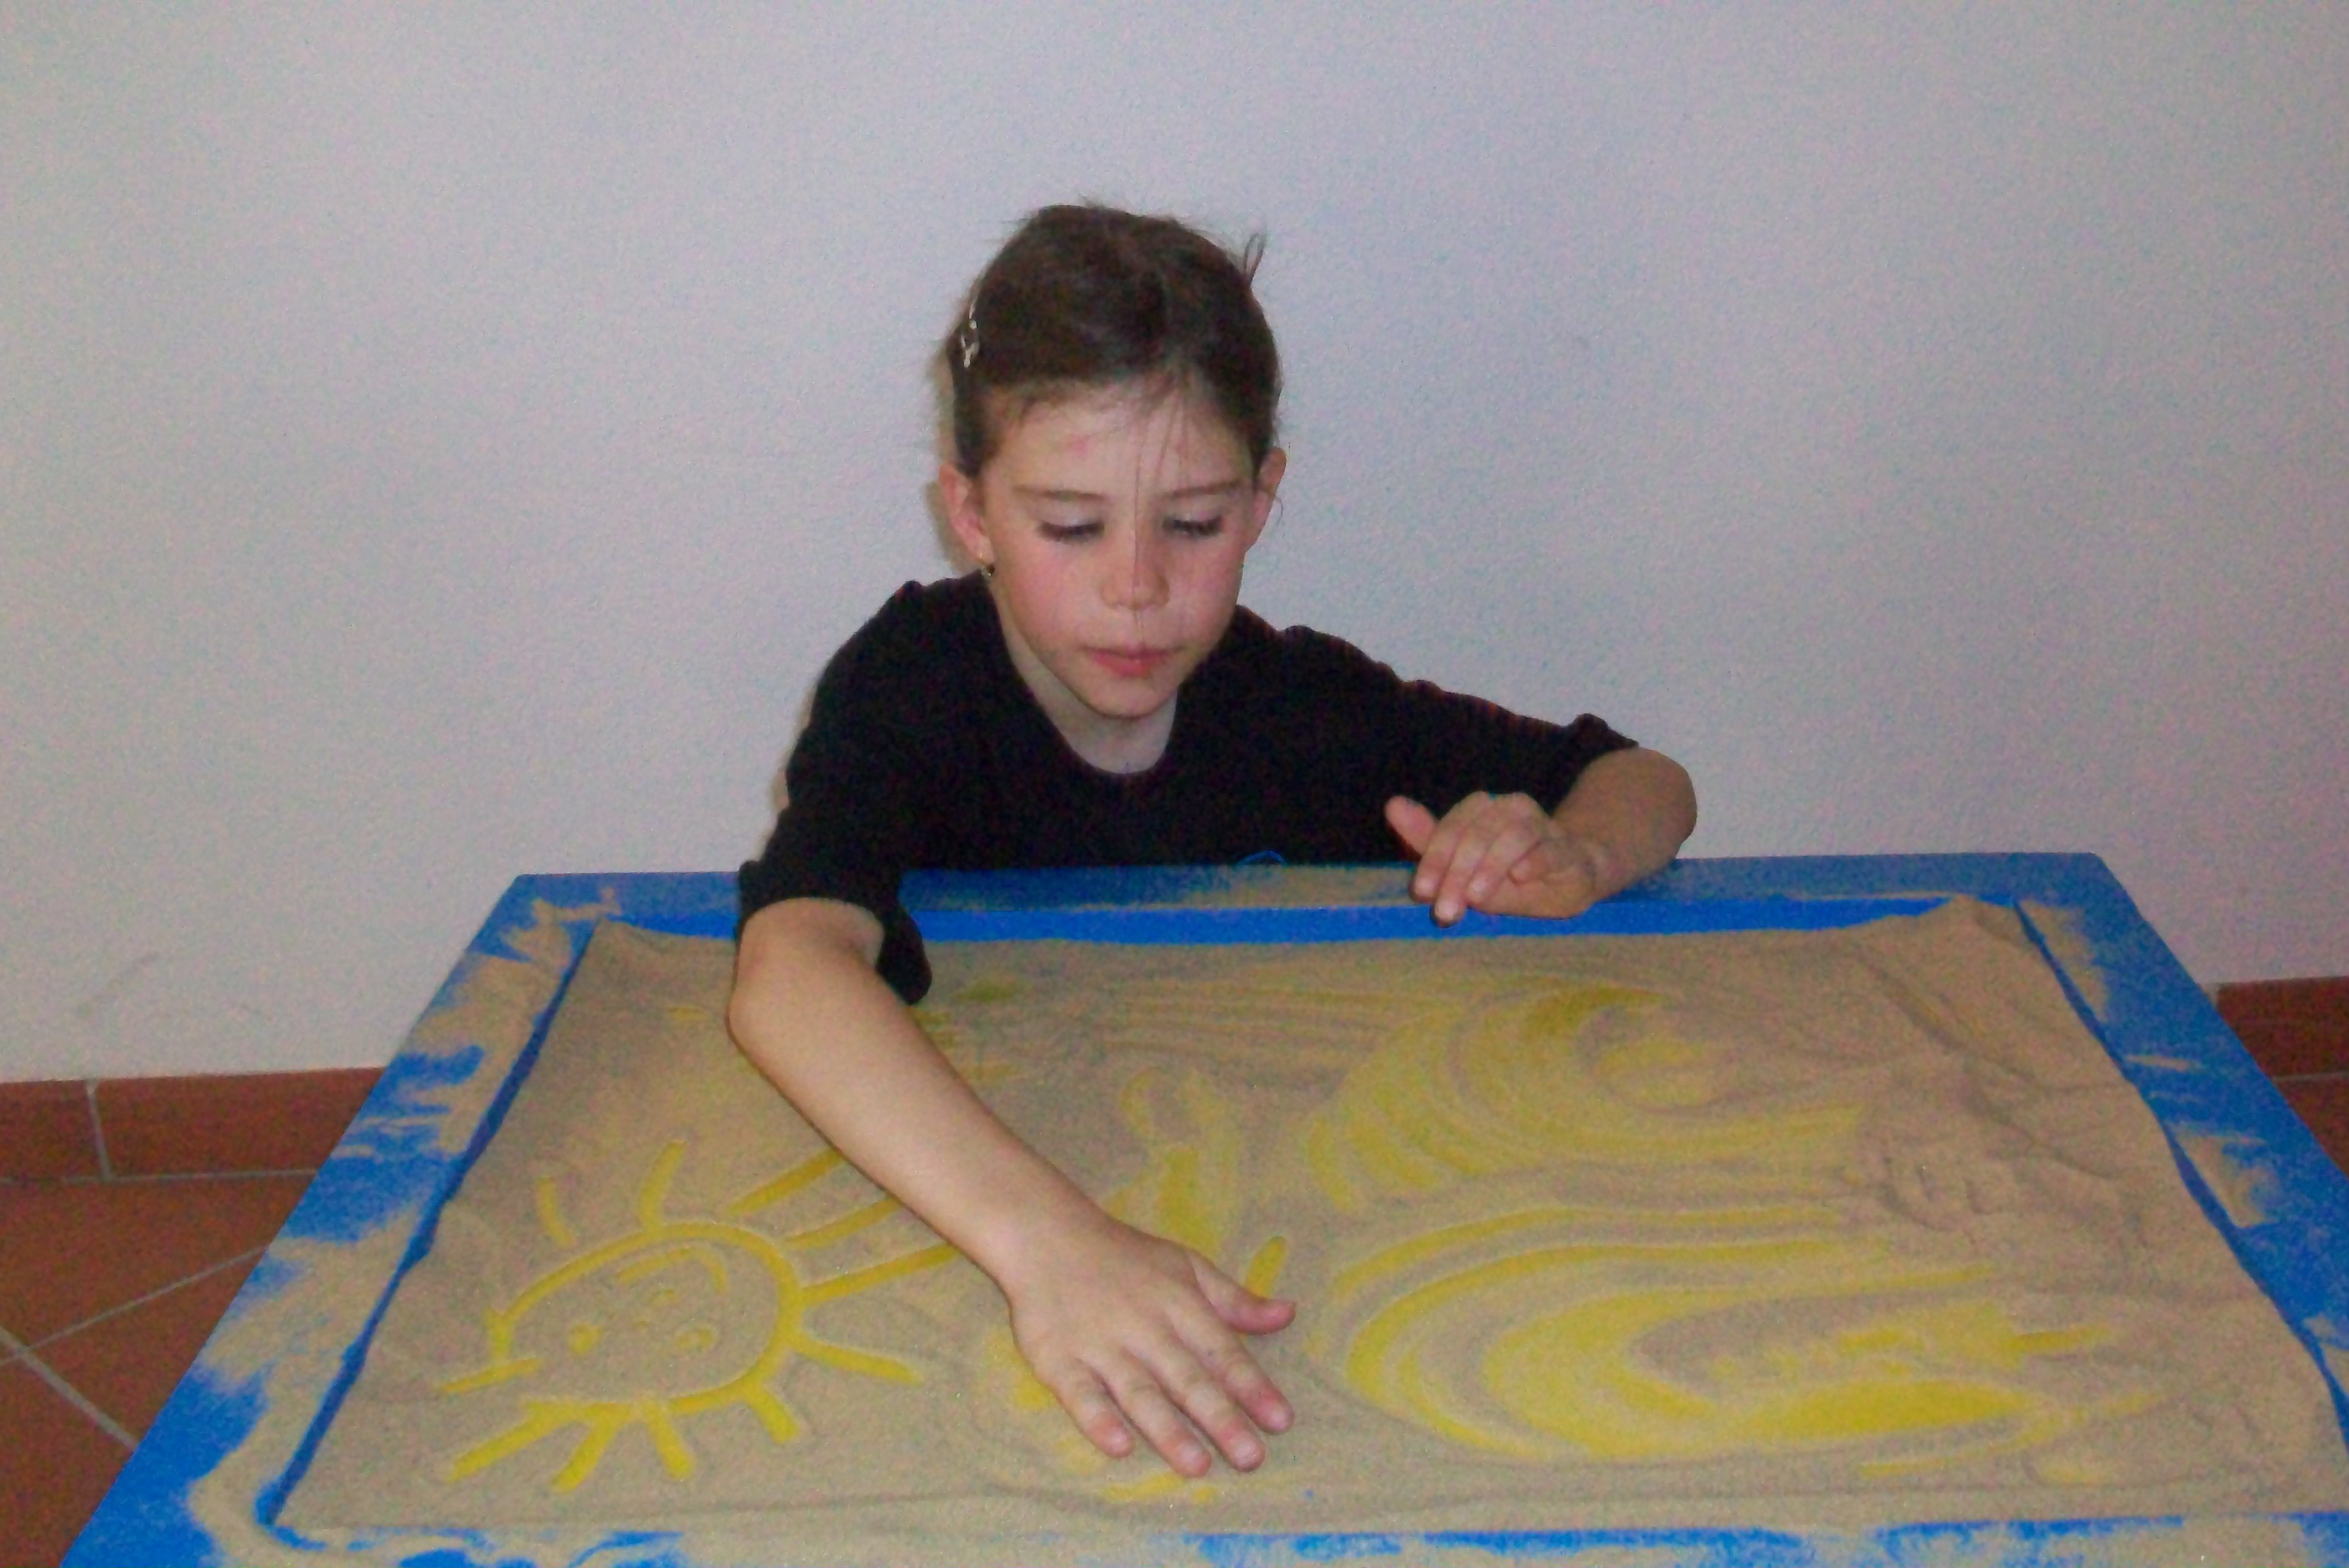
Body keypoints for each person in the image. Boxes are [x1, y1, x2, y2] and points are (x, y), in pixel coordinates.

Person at [725, 204, 1697, 1481]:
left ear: (1262, 500)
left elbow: (1644, 779)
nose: (1135, 585)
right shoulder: (910, 685)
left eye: (1191, 522)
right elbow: (786, 972)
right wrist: (1051, 1246)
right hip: (953, 1253)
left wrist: (1577, 854)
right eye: (1070, 525)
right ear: (970, 511)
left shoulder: (1297, 705)